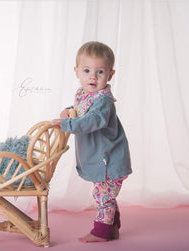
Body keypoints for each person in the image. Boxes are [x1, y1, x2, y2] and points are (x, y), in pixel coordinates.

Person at [51, 41, 132, 243]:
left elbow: (93, 120)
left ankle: (101, 232)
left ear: (110, 75)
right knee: (104, 194)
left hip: (109, 159)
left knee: (102, 195)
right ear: (77, 71)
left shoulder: (103, 100)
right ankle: (112, 227)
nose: (92, 77)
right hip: (100, 158)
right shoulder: (83, 94)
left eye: (100, 72)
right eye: (87, 70)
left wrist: (68, 124)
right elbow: (81, 111)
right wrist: (69, 110)